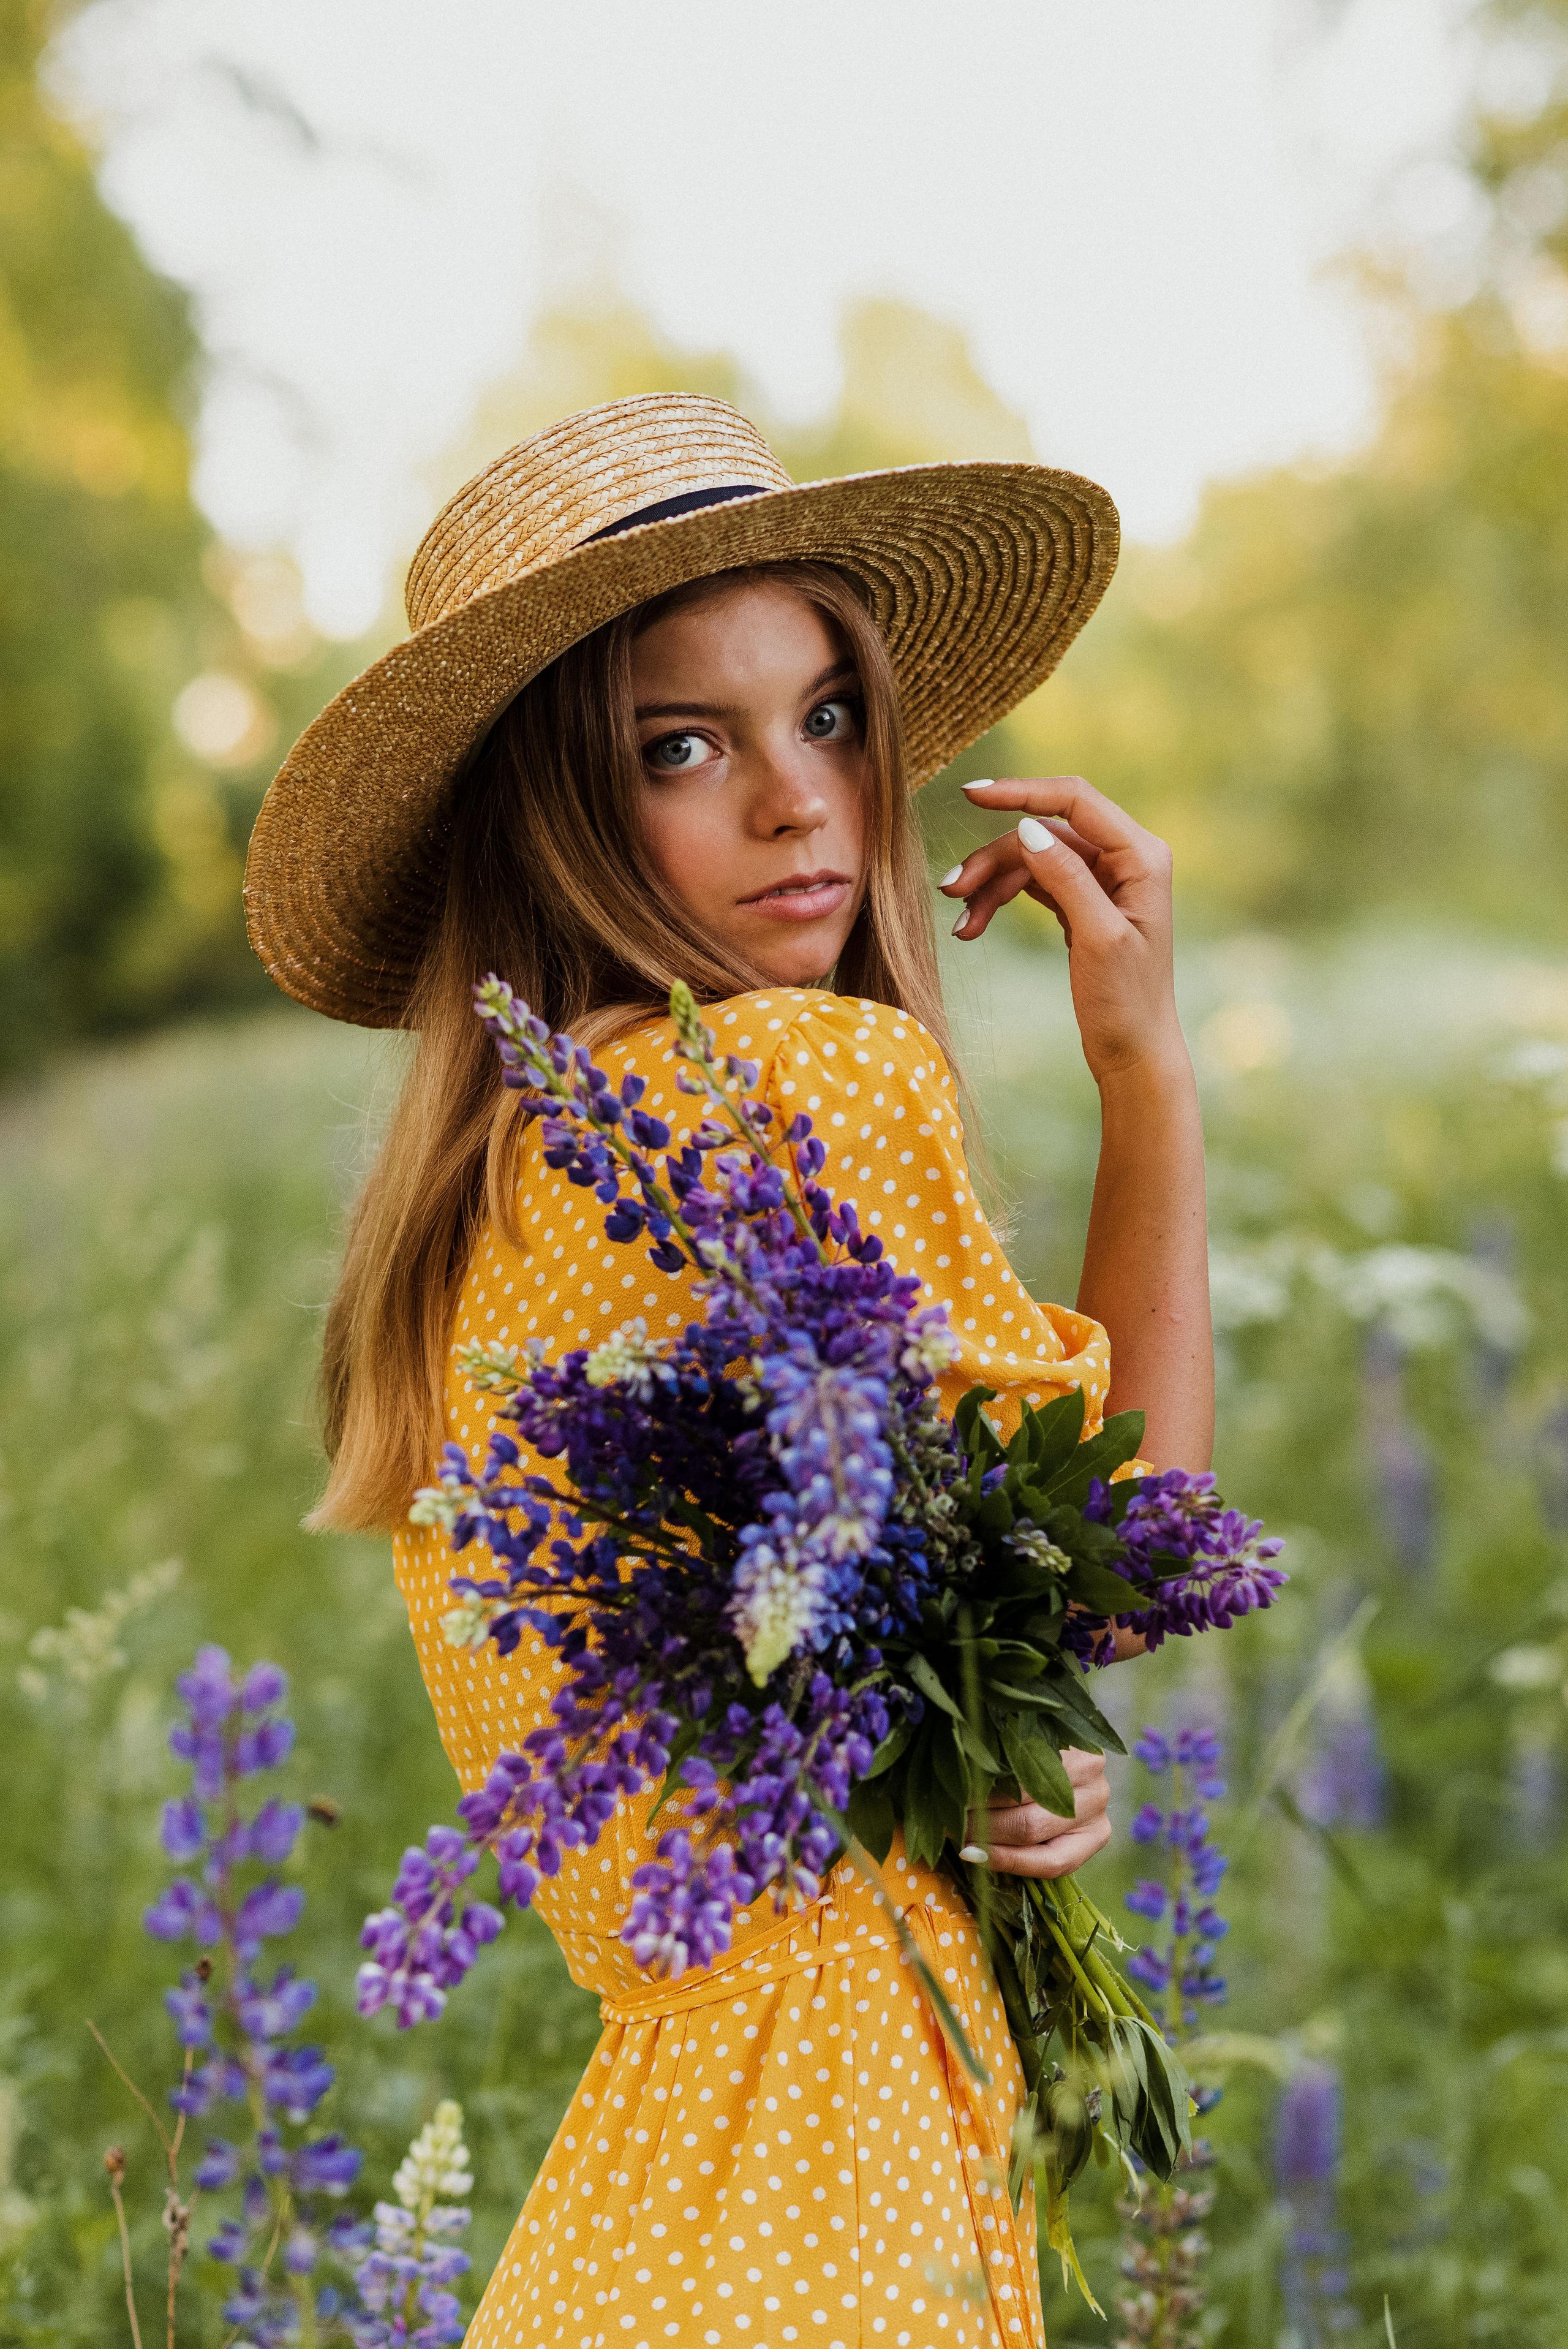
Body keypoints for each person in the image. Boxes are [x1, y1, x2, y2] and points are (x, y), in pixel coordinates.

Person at [247, 394, 1213, 2348]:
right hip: (838, 2156)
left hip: (669, 2177)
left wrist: (977, 1747)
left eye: (828, 716)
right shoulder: (799, 1074)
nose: (800, 801)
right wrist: (1149, 1077)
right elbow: (1124, 1563)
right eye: (682, 745)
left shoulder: (505, 1165)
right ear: (548, 808)